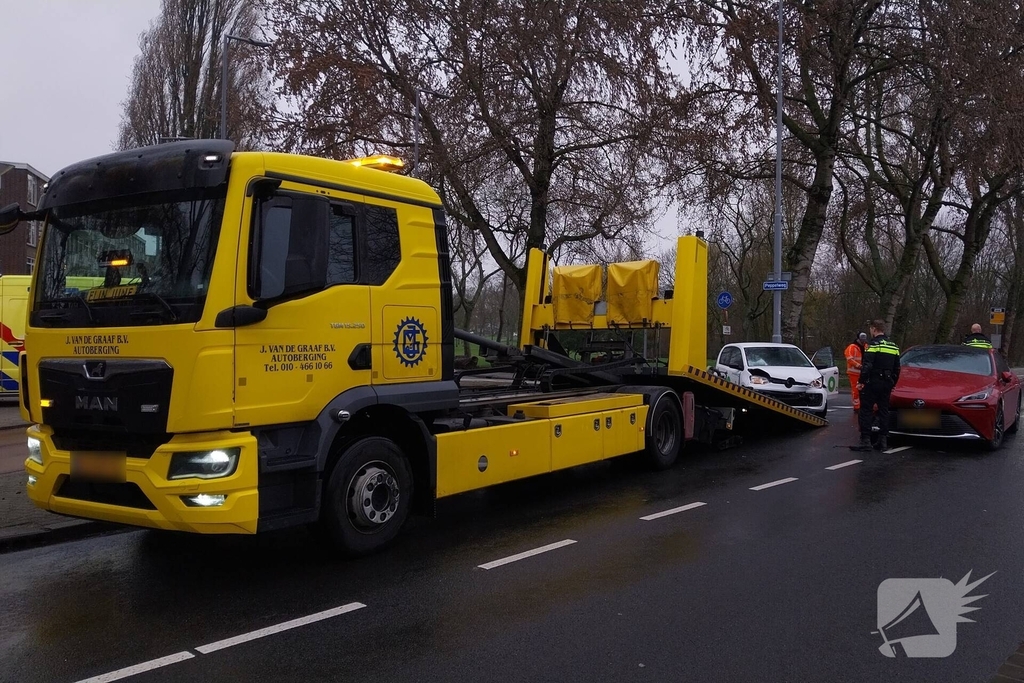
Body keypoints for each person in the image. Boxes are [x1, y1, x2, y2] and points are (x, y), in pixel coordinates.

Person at [852, 320, 901, 452]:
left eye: (870, 329)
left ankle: (866, 440)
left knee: (866, 410)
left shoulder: (873, 345)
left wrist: (861, 381)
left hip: (873, 382)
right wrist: (893, 383)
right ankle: (882, 440)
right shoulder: (893, 346)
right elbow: (897, 368)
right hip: (887, 383)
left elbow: (867, 366)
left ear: (874, 329)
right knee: (884, 410)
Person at [845, 332, 868, 410]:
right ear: (858, 338)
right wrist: (858, 366)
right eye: (862, 339)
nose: (863, 341)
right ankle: (857, 406)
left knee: (863, 389)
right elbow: (849, 359)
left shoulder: (866, 346)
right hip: (854, 372)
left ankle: (861, 405)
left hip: (863, 372)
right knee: (856, 390)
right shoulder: (852, 347)